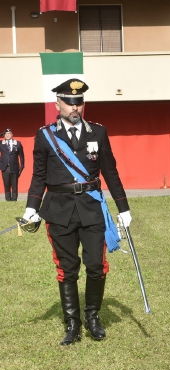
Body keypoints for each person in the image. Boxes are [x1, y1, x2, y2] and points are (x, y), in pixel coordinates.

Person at [22, 79, 131, 346]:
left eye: (79, 102)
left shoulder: (98, 133)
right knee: (67, 269)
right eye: (69, 102)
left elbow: (111, 172)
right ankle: (72, 323)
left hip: (92, 208)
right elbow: (39, 177)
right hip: (59, 209)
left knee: (96, 265)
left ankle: (93, 317)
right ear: (57, 104)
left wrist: (123, 207)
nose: (75, 107)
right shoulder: (44, 135)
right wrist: (31, 208)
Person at [0, 128, 25, 201]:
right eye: (6, 134)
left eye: (9, 133)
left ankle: (14, 199)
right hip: (5, 167)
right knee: (6, 184)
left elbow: (21, 156)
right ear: (4, 135)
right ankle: (8, 199)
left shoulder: (17, 143)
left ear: (12, 134)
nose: (7, 135)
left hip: (14, 166)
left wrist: (22, 166)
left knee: (14, 184)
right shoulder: (1, 143)